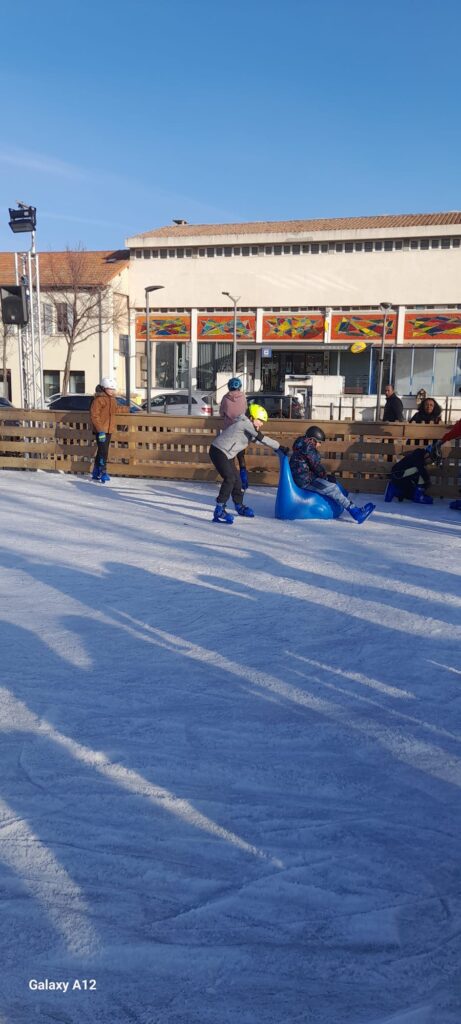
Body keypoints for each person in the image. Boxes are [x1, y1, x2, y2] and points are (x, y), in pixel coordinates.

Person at [209, 403, 289, 523]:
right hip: (218, 451)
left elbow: (258, 441)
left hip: (228, 454)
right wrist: (279, 446)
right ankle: (219, 509)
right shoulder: (245, 423)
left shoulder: (248, 427)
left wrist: (276, 449)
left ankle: (239, 506)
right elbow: (262, 438)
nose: (261, 424)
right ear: (251, 417)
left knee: (238, 481)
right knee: (230, 479)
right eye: (260, 420)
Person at [289, 426, 375, 524]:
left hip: (303, 476)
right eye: (319, 442)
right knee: (332, 488)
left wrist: (325, 476)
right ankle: (356, 512)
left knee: (332, 482)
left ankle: (346, 501)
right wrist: (325, 477)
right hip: (306, 481)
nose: (320, 445)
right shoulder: (309, 449)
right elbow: (316, 466)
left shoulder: (301, 445)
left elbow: (311, 467)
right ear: (312, 440)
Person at [219, 377, 249, 490]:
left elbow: (222, 413)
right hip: (241, 432)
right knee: (241, 457)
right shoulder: (243, 397)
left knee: (229, 457)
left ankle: (232, 481)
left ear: (229, 387)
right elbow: (245, 410)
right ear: (239, 386)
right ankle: (244, 480)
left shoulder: (225, 399)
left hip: (228, 432)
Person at [90, 377, 117, 482]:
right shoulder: (99, 400)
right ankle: (103, 471)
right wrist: (100, 430)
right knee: (103, 452)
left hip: (109, 430)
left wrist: (128, 409)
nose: (112, 391)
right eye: (110, 389)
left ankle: (96, 471)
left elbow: (115, 410)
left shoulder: (112, 399)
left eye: (113, 389)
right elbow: (94, 415)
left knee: (102, 451)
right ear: (104, 388)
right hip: (101, 431)